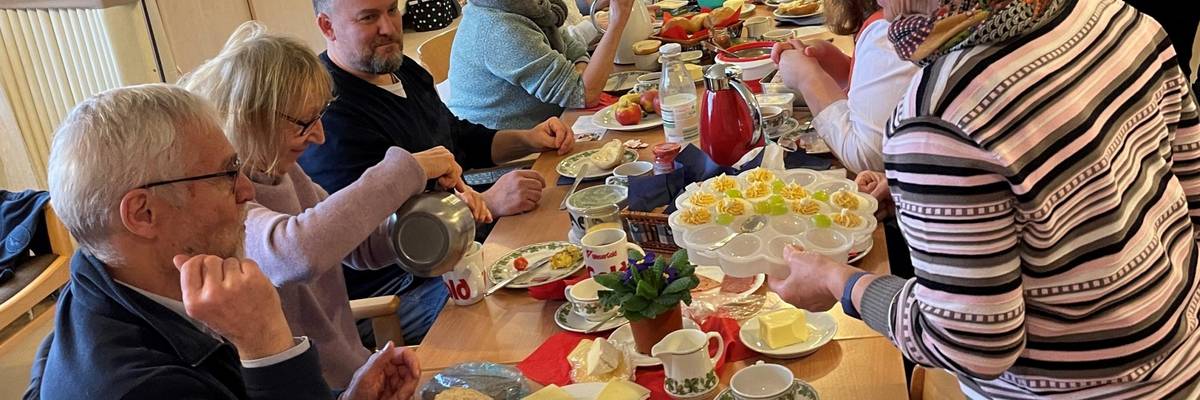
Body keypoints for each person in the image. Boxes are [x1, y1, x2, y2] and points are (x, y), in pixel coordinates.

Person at [769, 0, 1200, 397]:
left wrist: (838, 282)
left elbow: (970, 345)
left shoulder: (940, 114)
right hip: (1181, 362)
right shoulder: (1119, 18)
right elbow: (1182, 199)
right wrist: (931, 198)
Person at [32, 84, 420, 399]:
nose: (247, 190)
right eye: (226, 174)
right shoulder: (145, 388)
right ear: (143, 214)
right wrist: (267, 344)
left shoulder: (116, 289)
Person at [178, 22, 488, 386]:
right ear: (254, 117)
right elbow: (297, 252)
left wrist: (436, 214)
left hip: (357, 375)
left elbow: (362, 247)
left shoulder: (285, 174)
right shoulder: (229, 199)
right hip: (317, 387)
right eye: (305, 123)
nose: (320, 136)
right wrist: (408, 168)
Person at [301, 0, 574, 345]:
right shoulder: (331, 119)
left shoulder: (402, 71)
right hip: (399, 289)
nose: (388, 27)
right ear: (327, 27)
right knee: (533, 315)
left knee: (565, 240)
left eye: (391, 10)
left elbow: (457, 138)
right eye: (369, 18)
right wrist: (487, 203)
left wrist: (528, 138)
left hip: (455, 247)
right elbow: (373, 238)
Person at [770, 0, 919, 173]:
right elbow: (900, 93)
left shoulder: (890, 28)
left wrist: (809, 79)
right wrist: (845, 70)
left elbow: (868, 158)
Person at [446, 0, 636, 130]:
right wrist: (617, 21)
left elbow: (573, 48)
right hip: (510, 162)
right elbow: (584, 94)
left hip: (550, 128)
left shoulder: (527, 7)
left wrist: (579, 74)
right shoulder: (499, 27)